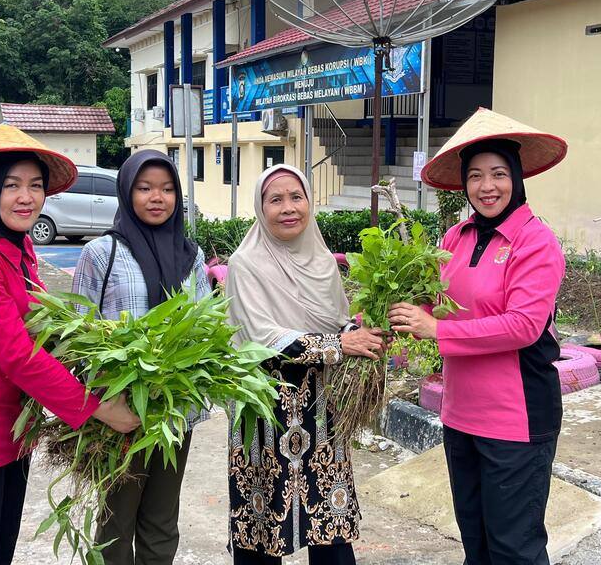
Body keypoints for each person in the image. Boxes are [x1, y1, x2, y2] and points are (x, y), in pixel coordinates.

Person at [0, 124, 141, 565]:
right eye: (11, 185)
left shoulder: (17, 247)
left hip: (12, 426)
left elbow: (47, 328)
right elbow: (18, 354)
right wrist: (97, 407)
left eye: (36, 186)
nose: (27, 197)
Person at [390, 108, 568, 565]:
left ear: (517, 178)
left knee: (515, 549)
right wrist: (390, 317)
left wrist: (437, 329)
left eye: (498, 174)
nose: (487, 187)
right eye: (475, 176)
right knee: (477, 542)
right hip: (461, 413)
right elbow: (431, 302)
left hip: (516, 418)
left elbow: (523, 325)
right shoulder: (455, 236)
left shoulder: (535, 241)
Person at [225, 164, 384, 565]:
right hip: (265, 412)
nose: (288, 208)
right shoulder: (246, 264)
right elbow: (262, 339)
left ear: (309, 203)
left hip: (321, 412)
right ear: (261, 208)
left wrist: (361, 333)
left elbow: (336, 317)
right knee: (262, 528)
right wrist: (340, 343)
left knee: (329, 526)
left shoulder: (323, 263)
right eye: (275, 199)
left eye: (296, 197)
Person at [70, 150, 211, 565]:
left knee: (162, 519)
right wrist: (100, 402)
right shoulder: (101, 253)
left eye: (167, 190)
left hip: (173, 413)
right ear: (126, 192)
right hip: (120, 415)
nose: (157, 198)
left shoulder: (192, 256)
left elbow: (203, 326)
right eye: (145, 188)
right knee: (116, 521)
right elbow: (79, 332)